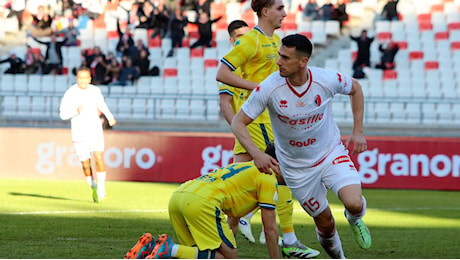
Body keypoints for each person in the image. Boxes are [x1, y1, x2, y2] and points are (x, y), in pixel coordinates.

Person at [231, 33, 372, 259]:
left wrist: (358, 132)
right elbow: (238, 122)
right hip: (296, 169)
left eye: (285, 57)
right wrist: (257, 154)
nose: (278, 62)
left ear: (302, 62)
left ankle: (355, 219)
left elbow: (355, 88)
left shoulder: (325, 79)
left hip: (329, 154)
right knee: (325, 224)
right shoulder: (270, 87)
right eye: (279, 55)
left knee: (354, 203)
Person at [216, 1, 319, 258]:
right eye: (280, 8)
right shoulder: (251, 41)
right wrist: (256, 88)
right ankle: (289, 239)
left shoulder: (279, 42)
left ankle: (215, 248)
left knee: (235, 192)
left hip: (262, 122)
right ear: (265, 12)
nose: (285, 13)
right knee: (282, 177)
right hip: (258, 123)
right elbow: (222, 74)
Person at [124, 143, 283, 259]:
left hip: (180, 195)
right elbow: (270, 230)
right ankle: (169, 249)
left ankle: (149, 247)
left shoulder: (247, 169)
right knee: (229, 258)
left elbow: (233, 221)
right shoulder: (268, 177)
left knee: (199, 255)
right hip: (202, 202)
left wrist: (228, 244)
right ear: (277, 162)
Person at [59, 66, 117, 203]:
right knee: (85, 164)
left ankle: (102, 187)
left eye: (85, 78)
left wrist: (110, 117)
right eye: (80, 78)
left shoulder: (95, 91)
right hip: (79, 132)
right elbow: (62, 115)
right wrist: (75, 111)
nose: (83, 81)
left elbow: (102, 104)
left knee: (98, 156)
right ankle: (93, 185)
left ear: (90, 79)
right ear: (77, 79)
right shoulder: (70, 93)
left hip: (95, 129)